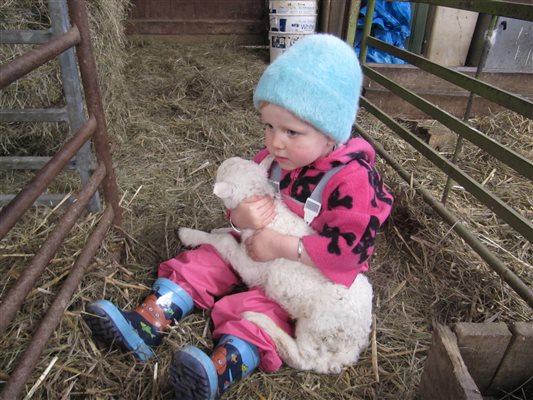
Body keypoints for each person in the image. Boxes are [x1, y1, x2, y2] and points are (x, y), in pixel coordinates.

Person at [85, 34, 393, 400]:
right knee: (206, 257)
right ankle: (149, 320)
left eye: (292, 131)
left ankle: (220, 368)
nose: (275, 142)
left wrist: (282, 246)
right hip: (254, 252)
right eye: (269, 126)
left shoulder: (352, 182)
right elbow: (245, 192)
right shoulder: (277, 158)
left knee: (259, 311)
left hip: (303, 281)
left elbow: (350, 252)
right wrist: (238, 217)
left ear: (330, 134)